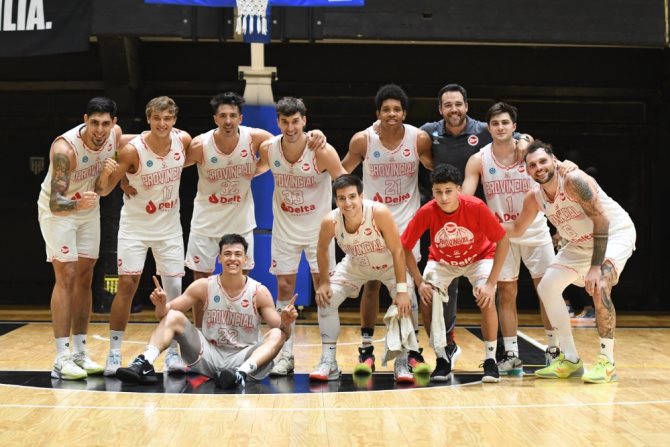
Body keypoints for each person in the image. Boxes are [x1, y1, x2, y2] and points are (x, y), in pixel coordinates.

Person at [507, 140, 635, 383]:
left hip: (613, 233)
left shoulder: (574, 181)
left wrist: (595, 267)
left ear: (554, 161)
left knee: (600, 285)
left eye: (543, 161)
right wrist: (483, 225)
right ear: (527, 171)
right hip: (579, 243)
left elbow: (602, 221)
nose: (539, 167)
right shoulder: (534, 198)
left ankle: (607, 362)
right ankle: (570, 359)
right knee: (547, 287)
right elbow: (516, 229)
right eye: (532, 165)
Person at [115, 234, 299, 389]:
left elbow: (284, 334)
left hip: (243, 356)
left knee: (277, 333)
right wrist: (162, 305)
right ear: (219, 258)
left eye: (237, 254)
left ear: (245, 259)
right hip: (207, 353)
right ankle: (145, 362)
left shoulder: (259, 292)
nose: (232, 259)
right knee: (174, 315)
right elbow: (164, 317)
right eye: (227, 254)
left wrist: (285, 323)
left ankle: (240, 374)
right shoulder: (204, 286)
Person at [95, 96, 192, 376]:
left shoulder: (183, 140)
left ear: (174, 120)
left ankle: (172, 354)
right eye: (156, 118)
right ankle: (114, 353)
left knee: (174, 290)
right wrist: (112, 176)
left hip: (169, 228)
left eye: (167, 118)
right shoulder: (132, 151)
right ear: (148, 119)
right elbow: (103, 190)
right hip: (135, 227)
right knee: (127, 286)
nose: (162, 124)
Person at [461, 102, 559, 375]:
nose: (500, 127)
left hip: (535, 230)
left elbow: (555, 176)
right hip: (502, 236)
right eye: (495, 123)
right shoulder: (479, 159)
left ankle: (554, 351)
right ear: (488, 128)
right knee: (506, 293)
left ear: (514, 126)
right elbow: (466, 200)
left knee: (547, 291)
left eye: (505, 122)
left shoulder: (529, 152)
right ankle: (512, 354)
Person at [37, 97, 131, 380]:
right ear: (85, 120)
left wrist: (112, 176)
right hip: (60, 212)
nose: (100, 130)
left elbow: (102, 188)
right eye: (94, 123)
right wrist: (78, 204)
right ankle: (61, 357)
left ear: (114, 123)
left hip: (88, 208)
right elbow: (56, 202)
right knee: (65, 274)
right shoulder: (65, 149)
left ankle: (79, 351)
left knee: (85, 276)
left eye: (105, 123)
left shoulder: (114, 135)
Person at [342, 84, 433, 374]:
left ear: (404, 113)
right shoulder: (363, 141)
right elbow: (341, 172)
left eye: (396, 109)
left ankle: (412, 350)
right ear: (377, 113)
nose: (391, 114)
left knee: (406, 286)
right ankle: (366, 347)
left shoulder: (418, 139)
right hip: (372, 222)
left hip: (407, 223)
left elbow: (440, 164)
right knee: (371, 284)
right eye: (386, 109)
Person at [257, 96, 347, 377]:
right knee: (284, 289)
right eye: (285, 122)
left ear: (304, 121)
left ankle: (329, 359)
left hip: (319, 232)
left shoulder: (321, 150)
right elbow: (255, 168)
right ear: (278, 122)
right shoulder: (269, 149)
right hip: (285, 230)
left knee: (324, 292)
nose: (290, 127)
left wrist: (356, 219)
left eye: (295, 121)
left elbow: (344, 180)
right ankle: (285, 356)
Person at [418, 83, 501, 373]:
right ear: (440, 109)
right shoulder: (429, 132)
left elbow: (516, 138)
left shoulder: (484, 130)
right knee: (440, 291)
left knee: (491, 290)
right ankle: (446, 346)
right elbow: (405, 139)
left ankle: (496, 352)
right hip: (444, 216)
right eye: (447, 105)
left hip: (477, 216)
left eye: (458, 104)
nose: (453, 109)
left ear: (466, 106)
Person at [401, 163, 510, 383]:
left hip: (479, 257)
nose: (443, 197)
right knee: (427, 298)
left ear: (459, 190)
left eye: (448, 191)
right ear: (432, 192)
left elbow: (503, 240)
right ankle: (443, 355)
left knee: (486, 297)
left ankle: (490, 360)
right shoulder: (427, 211)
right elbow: (404, 246)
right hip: (442, 261)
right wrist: (420, 282)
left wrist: (491, 283)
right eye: (438, 192)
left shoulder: (475, 206)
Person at [309, 174, 416, 383]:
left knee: (404, 302)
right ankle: (329, 362)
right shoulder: (330, 221)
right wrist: (324, 282)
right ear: (336, 200)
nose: (347, 203)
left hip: (388, 267)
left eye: (352, 197)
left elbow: (397, 251)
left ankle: (402, 362)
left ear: (361, 196)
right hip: (356, 266)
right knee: (326, 300)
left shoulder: (379, 213)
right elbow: (321, 249)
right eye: (341, 198)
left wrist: (402, 291)